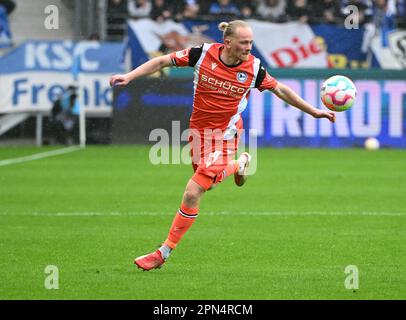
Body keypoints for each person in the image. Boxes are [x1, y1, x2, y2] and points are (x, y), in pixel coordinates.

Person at [110, 20, 335, 271]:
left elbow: (280, 90)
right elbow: (163, 61)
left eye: (250, 42)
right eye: (244, 42)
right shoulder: (203, 54)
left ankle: (163, 253)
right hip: (198, 133)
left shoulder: (254, 69)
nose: (249, 47)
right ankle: (241, 164)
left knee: (193, 192)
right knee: (210, 182)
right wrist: (129, 76)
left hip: (226, 137)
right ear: (228, 43)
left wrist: (314, 111)